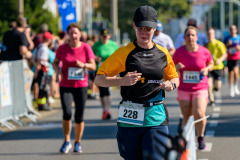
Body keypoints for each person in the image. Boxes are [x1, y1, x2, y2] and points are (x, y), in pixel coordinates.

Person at [94, 5, 179, 160]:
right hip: (130, 115)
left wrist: (171, 84)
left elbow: (174, 77)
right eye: (140, 28)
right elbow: (98, 79)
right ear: (134, 26)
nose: (144, 33)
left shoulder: (163, 53)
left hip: (156, 116)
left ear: (155, 28)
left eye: (148, 29)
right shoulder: (124, 52)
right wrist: (122, 80)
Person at [53, 23, 96, 154]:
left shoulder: (86, 47)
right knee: (67, 113)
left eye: (76, 33)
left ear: (80, 34)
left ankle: (77, 142)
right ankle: (67, 141)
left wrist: (83, 65)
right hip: (66, 84)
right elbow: (55, 62)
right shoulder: (62, 48)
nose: (73, 36)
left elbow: (93, 66)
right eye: (71, 33)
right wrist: (58, 71)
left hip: (81, 85)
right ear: (68, 35)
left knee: (79, 115)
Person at [172, 26, 214, 150]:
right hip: (184, 88)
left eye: (193, 35)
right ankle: (187, 139)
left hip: (200, 87)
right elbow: (171, 68)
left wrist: (207, 69)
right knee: (187, 115)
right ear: (184, 38)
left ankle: (200, 136)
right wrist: (176, 66)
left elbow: (211, 63)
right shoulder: (179, 52)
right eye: (188, 35)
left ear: (197, 37)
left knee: (199, 112)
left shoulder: (204, 51)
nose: (190, 37)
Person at [92, 28, 118, 120]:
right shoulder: (96, 45)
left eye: (106, 37)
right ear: (100, 36)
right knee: (102, 92)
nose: (105, 38)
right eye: (103, 37)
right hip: (99, 71)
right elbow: (91, 56)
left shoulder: (113, 45)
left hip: (111, 71)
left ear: (109, 36)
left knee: (108, 90)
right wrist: (96, 58)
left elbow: (117, 57)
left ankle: (107, 110)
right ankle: (104, 109)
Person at [33, 32, 54, 111]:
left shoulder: (39, 47)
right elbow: (39, 61)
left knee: (43, 88)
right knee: (43, 88)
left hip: (41, 70)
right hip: (43, 70)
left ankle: (42, 104)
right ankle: (42, 105)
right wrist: (36, 72)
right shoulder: (44, 48)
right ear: (48, 40)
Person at [207, 28, 227, 106]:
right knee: (209, 84)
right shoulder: (205, 45)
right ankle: (212, 100)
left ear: (214, 35)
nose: (210, 35)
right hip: (209, 67)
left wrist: (220, 59)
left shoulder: (219, 44)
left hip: (218, 67)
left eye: (211, 33)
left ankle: (215, 89)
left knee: (217, 86)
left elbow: (225, 54)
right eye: (208, 34)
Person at [223, 25, 240, 97]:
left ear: (236, 30)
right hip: (229, 58)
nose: (232, 30)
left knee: (236, 72)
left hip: (237, 57)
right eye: (231, 29)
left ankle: (236, 85)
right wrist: (227, 44)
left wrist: (238, 48)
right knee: (230, 74)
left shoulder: (239, 37)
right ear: (229, 31)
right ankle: (231, 88)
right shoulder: (227, 38)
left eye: (233, 29)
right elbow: (223, 47)